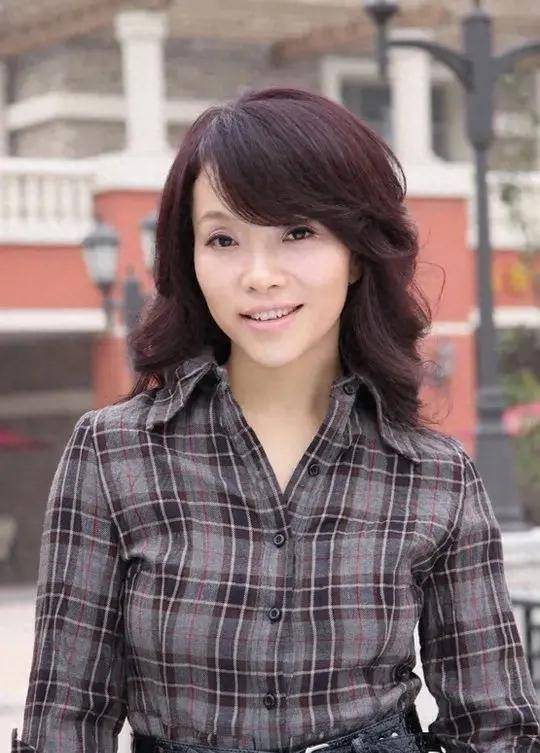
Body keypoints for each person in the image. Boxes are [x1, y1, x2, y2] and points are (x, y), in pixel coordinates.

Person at [11, 86, 540, 753]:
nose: (259, 275)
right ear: (190, 258)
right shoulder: (113, 453)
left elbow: (496, 729)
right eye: (223, 238)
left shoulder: (434, 474)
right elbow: (65, 724)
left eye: (297, 232)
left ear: (356, 252)